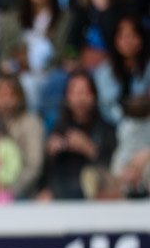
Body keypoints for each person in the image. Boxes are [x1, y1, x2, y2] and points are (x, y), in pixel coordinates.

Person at [39, 70, 116, 199]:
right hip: (62, 198)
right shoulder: (58, 129)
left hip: (96, 197)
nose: (80, 98)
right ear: (67, 97)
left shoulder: (106, 129)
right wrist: (50, 154)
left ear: (94, 96)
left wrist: (90, 149)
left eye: (86, 92)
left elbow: (115, 170)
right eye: (75, 92)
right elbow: (45, 176)